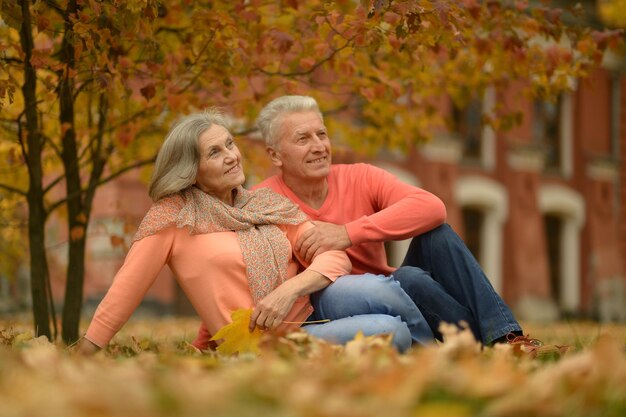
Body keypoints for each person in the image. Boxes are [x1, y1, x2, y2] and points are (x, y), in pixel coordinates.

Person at [77, 110, 424, 355]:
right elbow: (124, 291)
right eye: (215, 152)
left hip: (309, 306)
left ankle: (440, 353)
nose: (231, 156)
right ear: (191, 170)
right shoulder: (173, 219)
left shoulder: (262, 205)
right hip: (261, 341)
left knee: (383, 289)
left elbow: (333, 256)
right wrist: (84, 353)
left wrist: (290, 289)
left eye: (230, 144)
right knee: (389, 330)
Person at [194, 95, 523, 349]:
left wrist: (347, 233)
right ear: (276, 156)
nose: (319, 146)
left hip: (394, 293)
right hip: (326, 307)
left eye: (321, 134)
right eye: (303, 138)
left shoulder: (360, 176)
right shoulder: (261, 202)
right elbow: (232, 272)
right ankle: (481, 345)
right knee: (409, 280)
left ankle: (505, 339)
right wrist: (208, 341)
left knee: (433, 240)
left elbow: (431, 206)